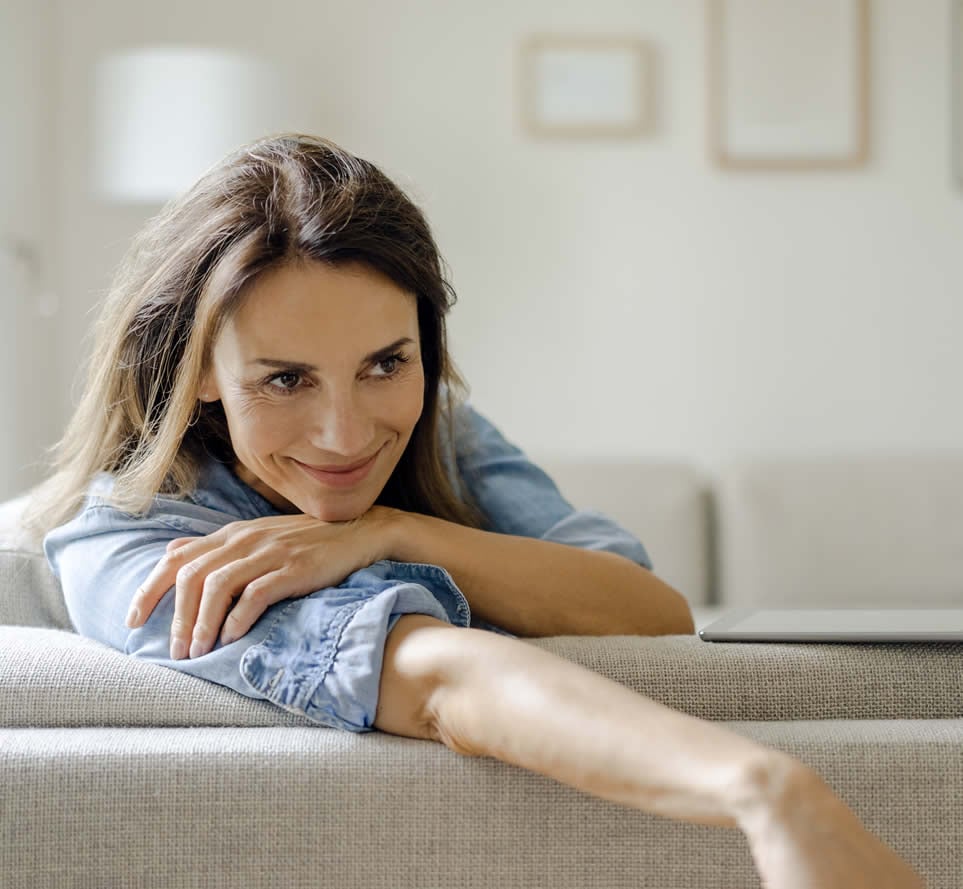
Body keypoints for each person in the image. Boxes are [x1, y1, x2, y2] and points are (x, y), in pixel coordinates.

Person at [33, 133, 922, 889]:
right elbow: (440, 682)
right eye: (285, 379)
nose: (347, 434)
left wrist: (388, 530)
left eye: (385, 363)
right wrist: (766, 792)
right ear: (198, 374)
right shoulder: (133, 547)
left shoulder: (441, 433)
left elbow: (647, 610)